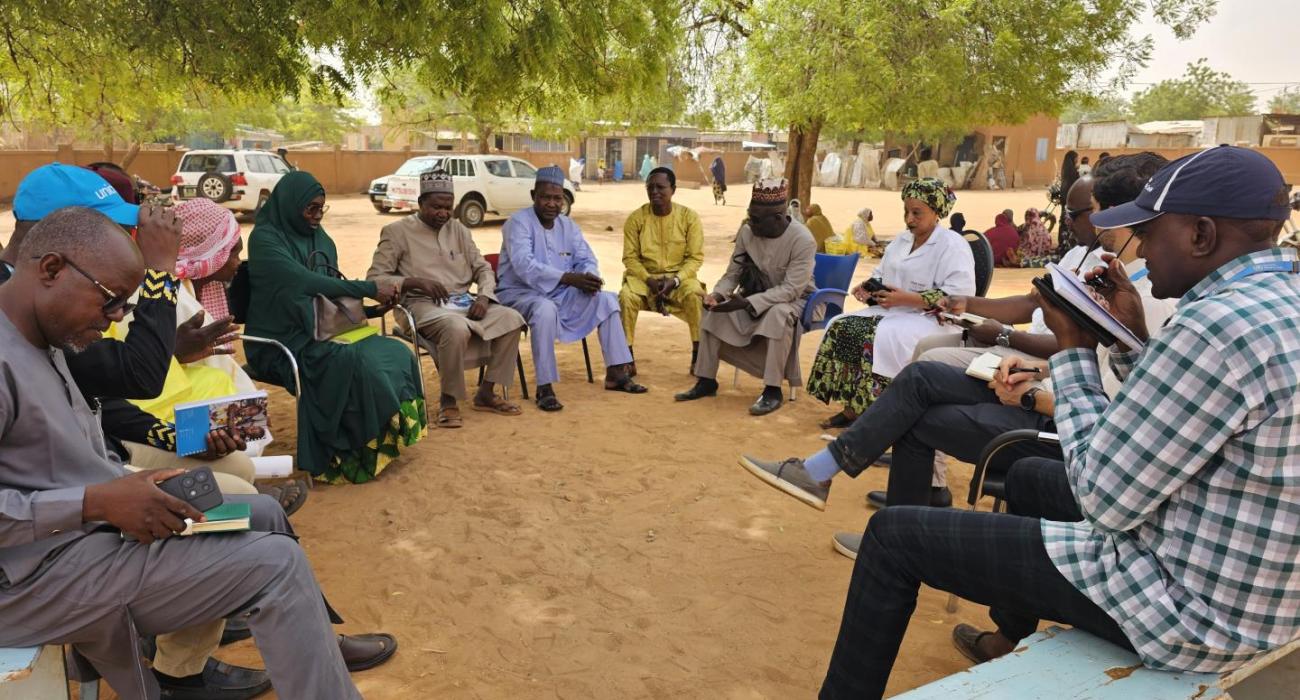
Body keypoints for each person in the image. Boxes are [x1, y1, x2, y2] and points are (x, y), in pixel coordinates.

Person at [811, 145, 1300, 699]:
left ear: (1201, 235)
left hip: (1182, 612)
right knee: (1027, 480)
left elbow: (1104, 500)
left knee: (892, 537)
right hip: (1254, 597)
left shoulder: (1214, 324)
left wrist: (1072, 350)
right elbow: (1176, 427)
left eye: (1147, 230)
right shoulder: (1276, 301)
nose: (1138, 249)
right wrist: (1124, 341)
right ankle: (1005, 634)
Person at [0, 207, 397, 700]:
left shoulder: (47, 337)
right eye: (110, 303)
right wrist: (98, 503)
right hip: (32, 580)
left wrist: (132, 486)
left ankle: (293, 646)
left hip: (86, 534)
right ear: (52, 269)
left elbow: (63, 455)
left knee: (259, 511)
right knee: (274, 565)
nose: (114, 320)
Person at [244, 171, 427, 484]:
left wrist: (369, 309)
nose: (317, 216)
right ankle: (340, 453)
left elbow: (329, 300)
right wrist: (370, 288)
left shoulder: (320, 238)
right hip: (279, 340)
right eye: (310, 209)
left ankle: (373, 445)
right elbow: (303, 282)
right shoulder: (265, 239)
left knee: (393, 351)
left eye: (321, 209)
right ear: (290, 204)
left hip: (322, 332)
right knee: (352, 362)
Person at [806, 178, 974, 429]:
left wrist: (909, 299)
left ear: (936, 211)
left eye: (917, 213)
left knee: (878, 336)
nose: (909, 219)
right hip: (894, 311)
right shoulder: (901, 241)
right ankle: (854, 407)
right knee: (841, 325)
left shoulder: (953, 246)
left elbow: (958, 297)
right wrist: (869, 287)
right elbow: (881, 273)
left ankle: (880, 413)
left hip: (933, 320)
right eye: (906, 211)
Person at [367, 170, 526, 428]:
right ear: (420, 204)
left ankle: (486, 392)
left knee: (512, 318)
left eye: (448, 207)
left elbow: (483, 268)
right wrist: (413, 282)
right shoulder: (397, 232)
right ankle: (448, 400)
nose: (443, 213)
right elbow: (375, 278)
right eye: (436, 207)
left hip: (463, 302)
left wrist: (484, 297)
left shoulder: (459, 230)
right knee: (455, 328)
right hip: (420, 306)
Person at [496, 165, 646, 411]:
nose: (552, 204)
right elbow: (525, 266)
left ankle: (617, 373)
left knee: (607, 299)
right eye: (546, 197)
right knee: (544, 310)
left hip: (560, 293)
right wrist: (567, 277)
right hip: (520, 294)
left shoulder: (568, 226)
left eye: (557, 198)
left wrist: (589, 279)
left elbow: (586, 258)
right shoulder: (518, 223)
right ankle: (545, 387)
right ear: (534, 196)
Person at [674, 177, 815, 416]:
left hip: (796, 299)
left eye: (757, 219)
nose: (751, 223)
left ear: (779, 218)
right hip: (756, 295)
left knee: (778, 314)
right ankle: (706, 380)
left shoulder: (803, 240)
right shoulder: (747, 231)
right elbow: (733, 273)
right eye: (750, 216)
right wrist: (718, 296)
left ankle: (772, 390)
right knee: (712, 314)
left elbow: (791, 289)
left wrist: (748, 303)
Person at [617, 167, 705, 374]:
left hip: (680, 279)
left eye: (660, 187)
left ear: (673, 189)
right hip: (643, 280)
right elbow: (630, 258)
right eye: (650, 187)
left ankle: (699, 356)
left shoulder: (689, 218)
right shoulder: (636, 219)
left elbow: (695, 258)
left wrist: (675, 280)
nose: (654, 192)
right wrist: (649, 280)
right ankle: (626, 358)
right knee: (626, 298)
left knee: (695, 296)